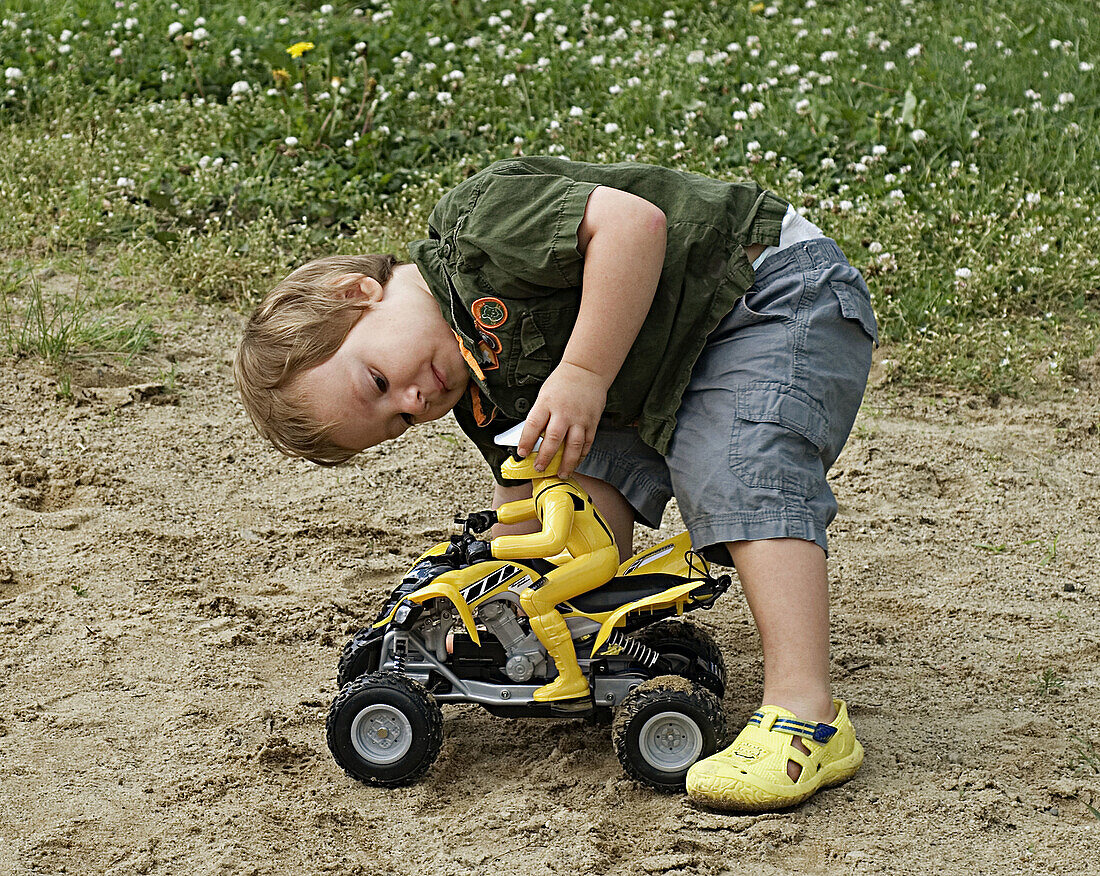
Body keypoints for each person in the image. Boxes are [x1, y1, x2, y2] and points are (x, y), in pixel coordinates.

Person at [234, 156, 877, 812]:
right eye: (399, 418)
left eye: (377, 379)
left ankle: (807, 713)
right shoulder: (474, 387)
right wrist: (493, 603)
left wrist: (583, 374)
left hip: (761, 293)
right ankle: (597, 659)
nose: (416, 398)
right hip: (658, 364)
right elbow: (530, 492)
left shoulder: (479, 229)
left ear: (356, 294)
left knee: (739, 468)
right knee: (575, 506)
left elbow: (633, 225)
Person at [470, 438, 620, 703]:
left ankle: (571, 678)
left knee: (534, 598)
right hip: (586, 554)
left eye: (518, 454)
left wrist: (494, 548)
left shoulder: (557, 494)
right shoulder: (549, 486)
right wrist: (495, 517)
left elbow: (551, 541)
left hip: (595, 560)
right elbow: (534, 506)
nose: (512, 459)